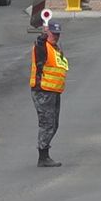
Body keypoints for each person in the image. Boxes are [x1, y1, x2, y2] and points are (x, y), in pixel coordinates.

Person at [30, 21, 69, 167]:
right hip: (43, 91)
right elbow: (39, 46)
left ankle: (44, 153)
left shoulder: (55, 48)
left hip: (53, 91)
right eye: (53, 34)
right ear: (47, 33)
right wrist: (42, 35)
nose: (56, 37)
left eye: (58, 34)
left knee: (54, 124)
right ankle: (43, 156)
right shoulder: (42, 46)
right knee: (47, 124)